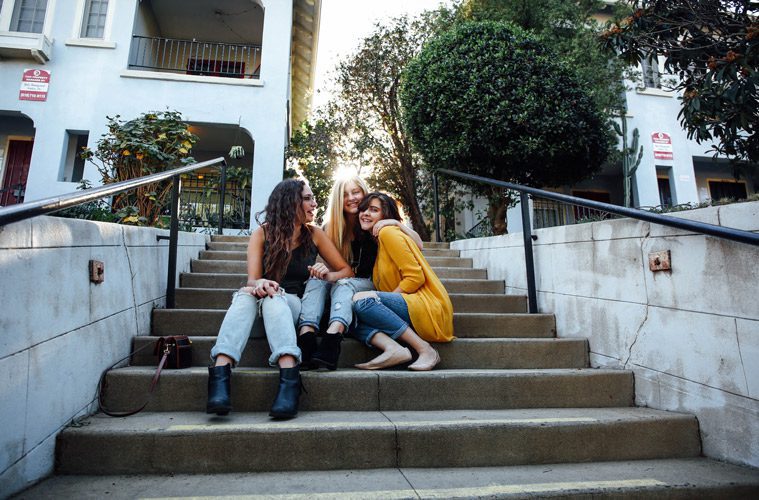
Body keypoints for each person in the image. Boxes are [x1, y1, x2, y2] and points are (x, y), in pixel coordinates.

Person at [206, 178, 352, 419]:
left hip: (294, 303)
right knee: (245, 295)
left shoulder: (314, 234)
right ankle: (221, 378)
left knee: (274, 298)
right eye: (307, 198)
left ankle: (288, 372)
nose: (314, 204)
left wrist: (327, 273)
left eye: (313, 199)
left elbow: (346, 271)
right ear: (289, 202)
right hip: (262, 301)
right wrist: (260, 282)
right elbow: (252, 280)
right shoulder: (262, 234)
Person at [297, 175, 423, 370]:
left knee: (344, 287)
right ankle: (307, 338)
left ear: (364, 192)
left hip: (371, 285)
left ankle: (332, 338)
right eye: (345, 194)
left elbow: (419, 245)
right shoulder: (330, 228)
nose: (351, 198)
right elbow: (332, 270)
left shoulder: (375, 219)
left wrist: (396, 224)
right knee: (316, 281)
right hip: (342, 288)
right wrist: (321, 271)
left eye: (355, 192)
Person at [351, 192, 454, 370]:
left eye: (374, 210)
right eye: (363, 209)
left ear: (385, 216)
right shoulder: (378, 242)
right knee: (349, 315)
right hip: (410, 305)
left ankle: (426, 350)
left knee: (364, 301)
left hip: (427, 306)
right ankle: (393, 349)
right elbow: (419, 245)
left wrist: (382, 301)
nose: (366, 213)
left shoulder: (388, 233)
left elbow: (415, 277)